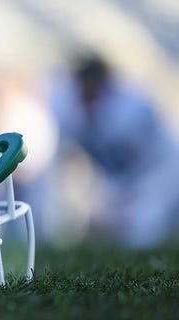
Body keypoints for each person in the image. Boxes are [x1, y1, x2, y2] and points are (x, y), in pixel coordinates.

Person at [50, 52, 179, 248]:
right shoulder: (69, 106)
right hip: (122, 175)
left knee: (142, 230)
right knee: (101, 227)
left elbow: (145, 162)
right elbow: (64, 158)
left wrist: (125, 200)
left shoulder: (131, 109)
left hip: (160, 171)